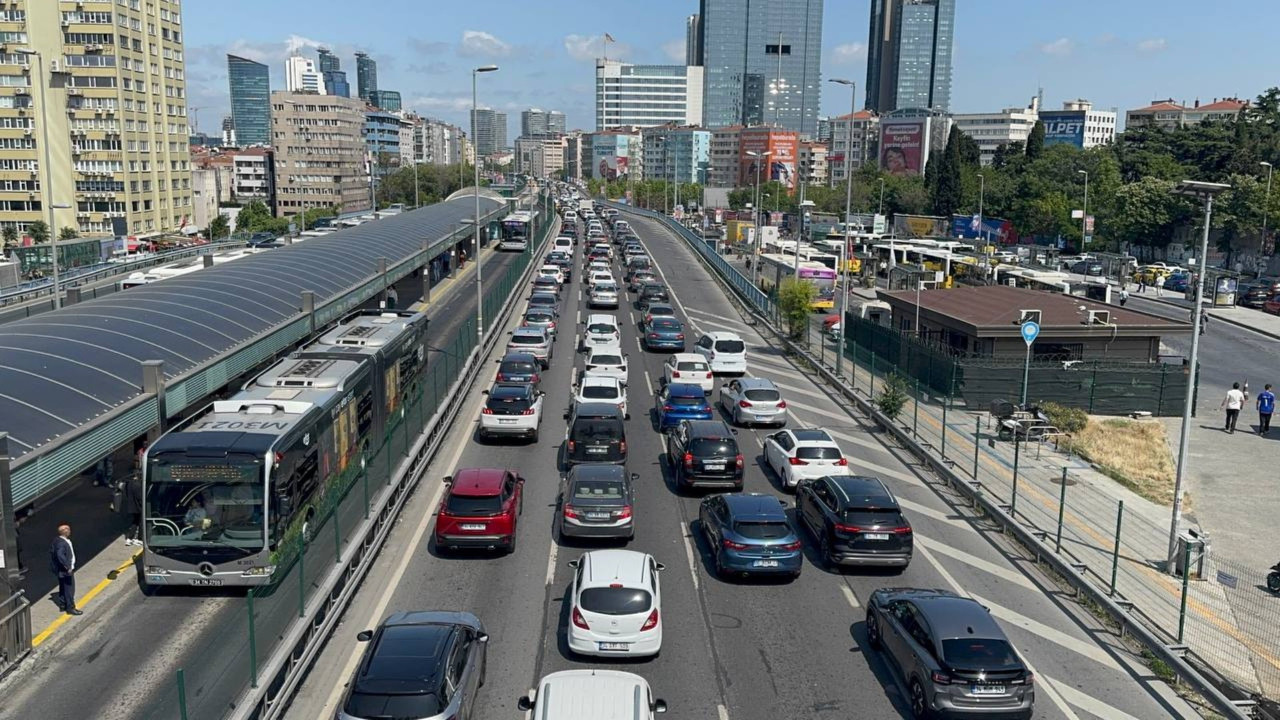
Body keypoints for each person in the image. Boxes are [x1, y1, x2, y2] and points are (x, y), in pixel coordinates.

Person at [49, 524, 80, 615]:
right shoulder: (62, 543)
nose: (70, 531)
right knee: (69, 589)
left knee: (62, 587)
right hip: (65, 570)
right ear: (65, 532)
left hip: (59, 570)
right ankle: (70, 607)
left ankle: (63, 604)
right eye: (69, 530)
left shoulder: (56, 540)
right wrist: (68, 566)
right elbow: (60, 555)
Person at [120, 471, 143, 546]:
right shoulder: (138, 484)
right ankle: (139, 539)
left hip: (132, 506)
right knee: (141, 522)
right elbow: (140, 497)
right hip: (138, 507)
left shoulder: (129, 484)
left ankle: (130, 538)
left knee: (135, 522)